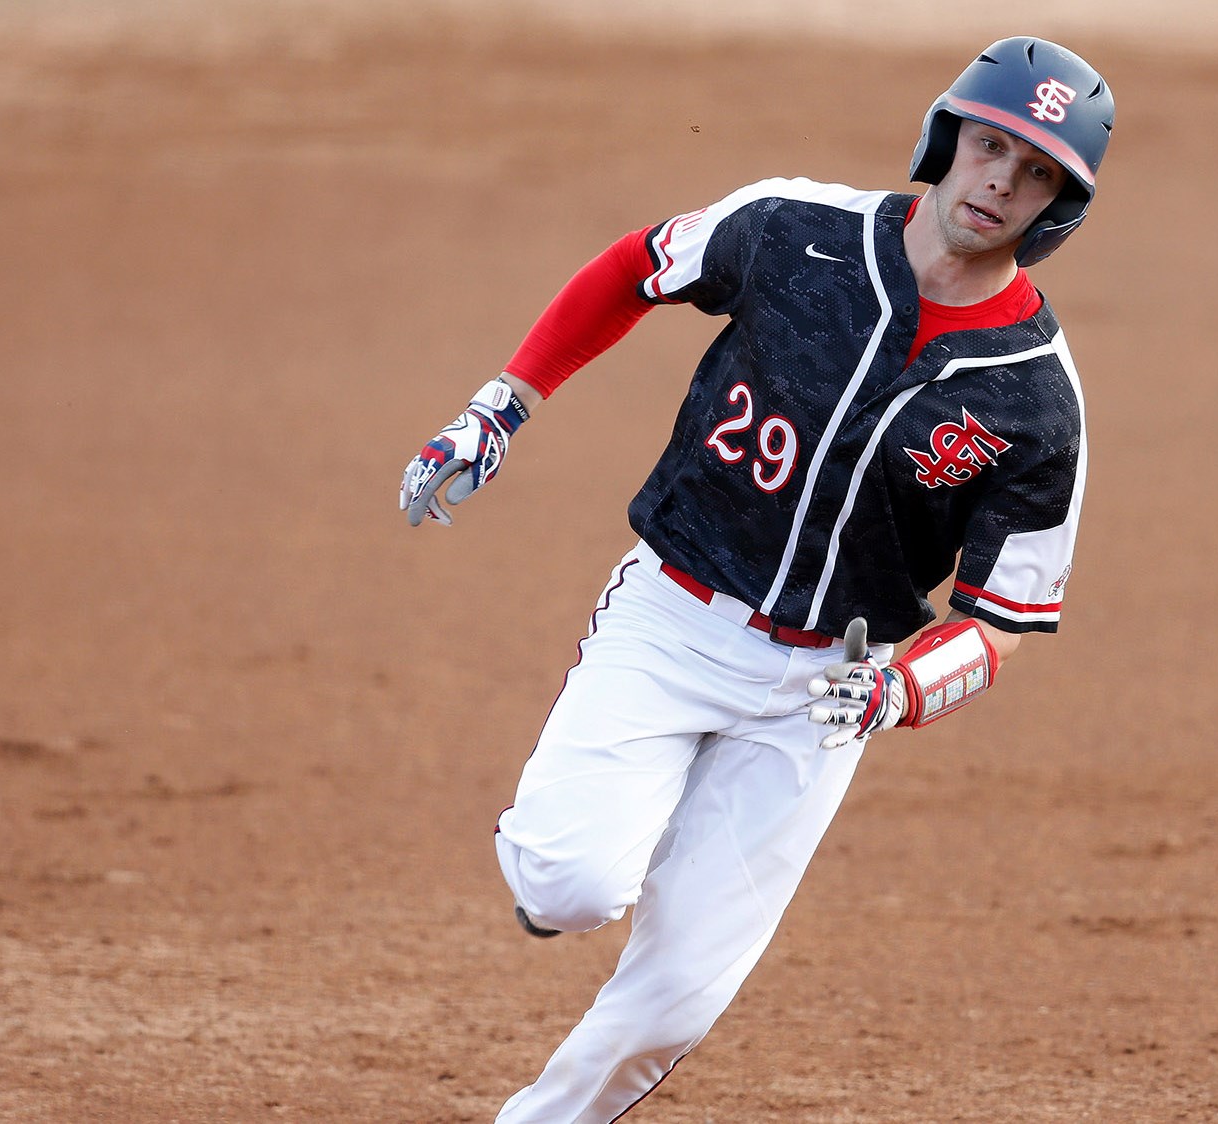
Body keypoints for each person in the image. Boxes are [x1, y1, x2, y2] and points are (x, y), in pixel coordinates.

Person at [399, 36, 1114, 1124]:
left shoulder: (1036, 399)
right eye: (988, 148)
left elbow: (1000, 618)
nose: (999, 183)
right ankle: (591, 833)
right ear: (947, 138)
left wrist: (902, 690)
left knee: (675, 1000)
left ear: (1056, 205)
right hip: (673, 614)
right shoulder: (794, 227)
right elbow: (633, 267)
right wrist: (504, 403)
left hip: (821, 690)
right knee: (568, 882)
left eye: (1034, 174)